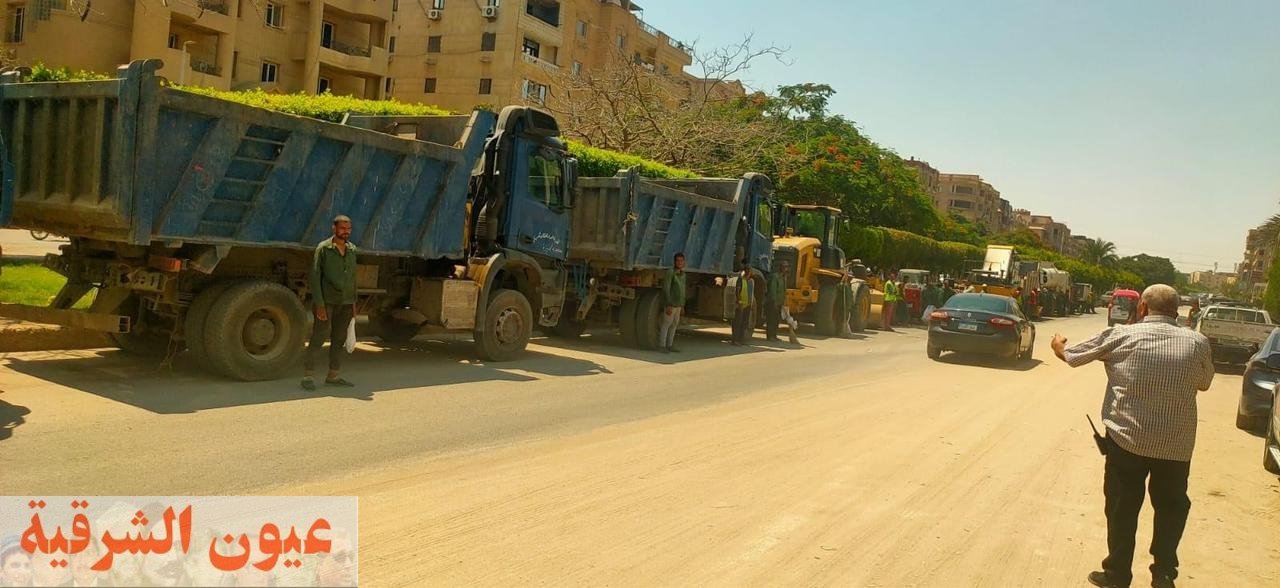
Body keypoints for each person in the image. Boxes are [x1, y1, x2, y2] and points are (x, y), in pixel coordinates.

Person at [1050, 284, 1214, 588]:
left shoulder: (1122, 335)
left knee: (1122, 508)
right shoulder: (1197, 342)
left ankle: (1117, 575)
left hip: (1127, 441)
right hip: (1175, 445)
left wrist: (1057, 343)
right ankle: (1163, 573)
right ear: (1176, 311)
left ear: (1142, 308)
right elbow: (1204, 382)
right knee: (1171, 508)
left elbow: (1071, 356)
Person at [303, 215, 359, 390]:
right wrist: (319, 304)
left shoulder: (352, 250)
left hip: (346, 302)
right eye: (342, 228)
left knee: (338, 339)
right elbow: (314, 276)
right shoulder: (323, 249)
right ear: (333, 228)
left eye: (348, 229)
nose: (346, 232)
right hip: (327, 302)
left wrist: (354, 303)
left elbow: (352, 278)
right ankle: (307, 377)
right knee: (319, 337)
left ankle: (333, 376)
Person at [659, 252, 687, 353]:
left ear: (684, 262)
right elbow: (666, 288)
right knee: (666, 324)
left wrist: (682, 305)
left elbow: (683, 290)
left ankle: (670, 345)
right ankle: (662, 346)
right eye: (678, 261)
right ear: (674, 262)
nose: (680, 263)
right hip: (671, 304)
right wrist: (668, 304)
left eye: (681, 261)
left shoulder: (683, 274)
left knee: (674, 325)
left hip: (678, 304)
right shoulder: (670, 272)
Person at [730, 263, 755, 345]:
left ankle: (741, 339)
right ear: (744, 271)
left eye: (749, 270)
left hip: (747, 305)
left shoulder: (751, 281)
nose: (748, 271)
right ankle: (735, 340)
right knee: (737, 323)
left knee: (744, 323)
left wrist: (750, 304)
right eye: (747, 270)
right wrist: (739, 301)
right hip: (740, 305)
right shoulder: (740, 280)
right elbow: (737, 291)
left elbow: (750, 294)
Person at [763, 262, 787, 342]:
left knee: (777, 320)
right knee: (771, 320)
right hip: (773, 302)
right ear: (780, 268)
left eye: (786, 267)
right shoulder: (775, 277)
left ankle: (774, 335)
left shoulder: (783, 278)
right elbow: (773, 291)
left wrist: (783, 302)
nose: (785, 269)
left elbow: (783, 291)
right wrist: (775, 302)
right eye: (783, 267)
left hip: (779, 303)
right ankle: (770, 336)